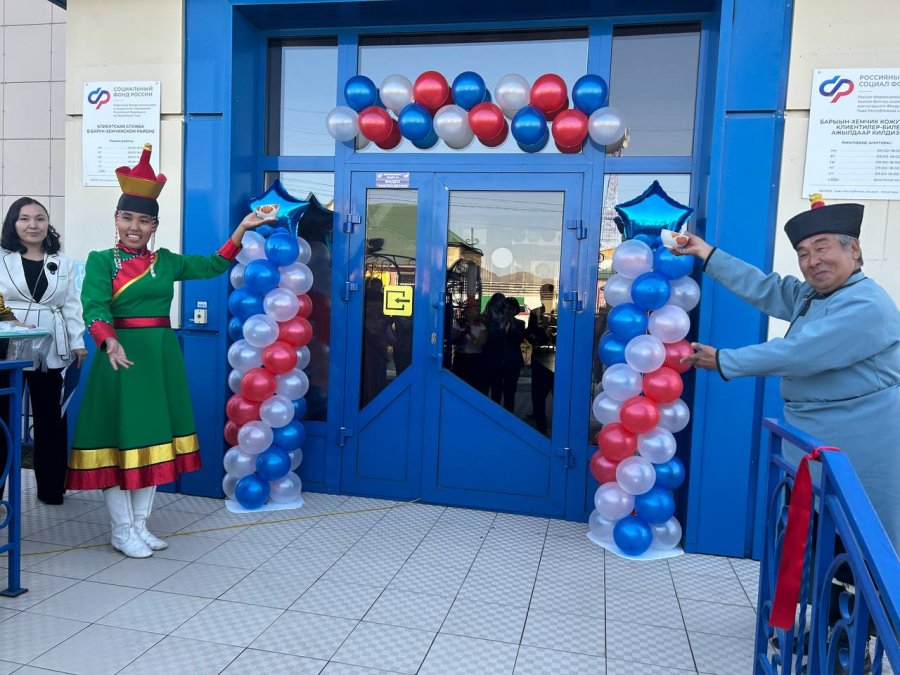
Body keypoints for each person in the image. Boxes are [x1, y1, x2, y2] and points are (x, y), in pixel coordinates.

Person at [64, 144, 273, 558]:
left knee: (153, 440)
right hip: (119, 360)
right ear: (116, 220)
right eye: (127, 218)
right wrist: (108, 339)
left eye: (144, 220)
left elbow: (213, 264)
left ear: (154, 225)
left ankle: (140, 526)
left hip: (159, 359)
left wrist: (242, 228)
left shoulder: (167, 261)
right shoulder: (101, 260)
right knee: (118, 441)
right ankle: (121, 530)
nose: (135, 227)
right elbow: (94, 306)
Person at [678, 196, 900, 553]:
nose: (813, 261)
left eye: (822, 248)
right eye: (803, 253)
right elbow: (766, 287)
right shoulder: (815, 295)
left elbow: (801, 352)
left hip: (858, 451)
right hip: (816, 446)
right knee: (814, 543)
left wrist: (724, 360)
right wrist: (707, 253)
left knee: (861, 546)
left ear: (854, 249)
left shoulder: (867, 304)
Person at [0, 198, 86, 505]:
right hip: (8, 348)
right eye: (24, 218)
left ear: (48, 224)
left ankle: (51, 489)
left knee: (51, 420)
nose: (33, 225)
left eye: (40, 218)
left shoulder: (63, 261)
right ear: (13, 223)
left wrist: (78, 342)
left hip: (52, 348)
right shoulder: (2, 258)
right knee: (2, 422)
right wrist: (10, 321)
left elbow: (72, 305)